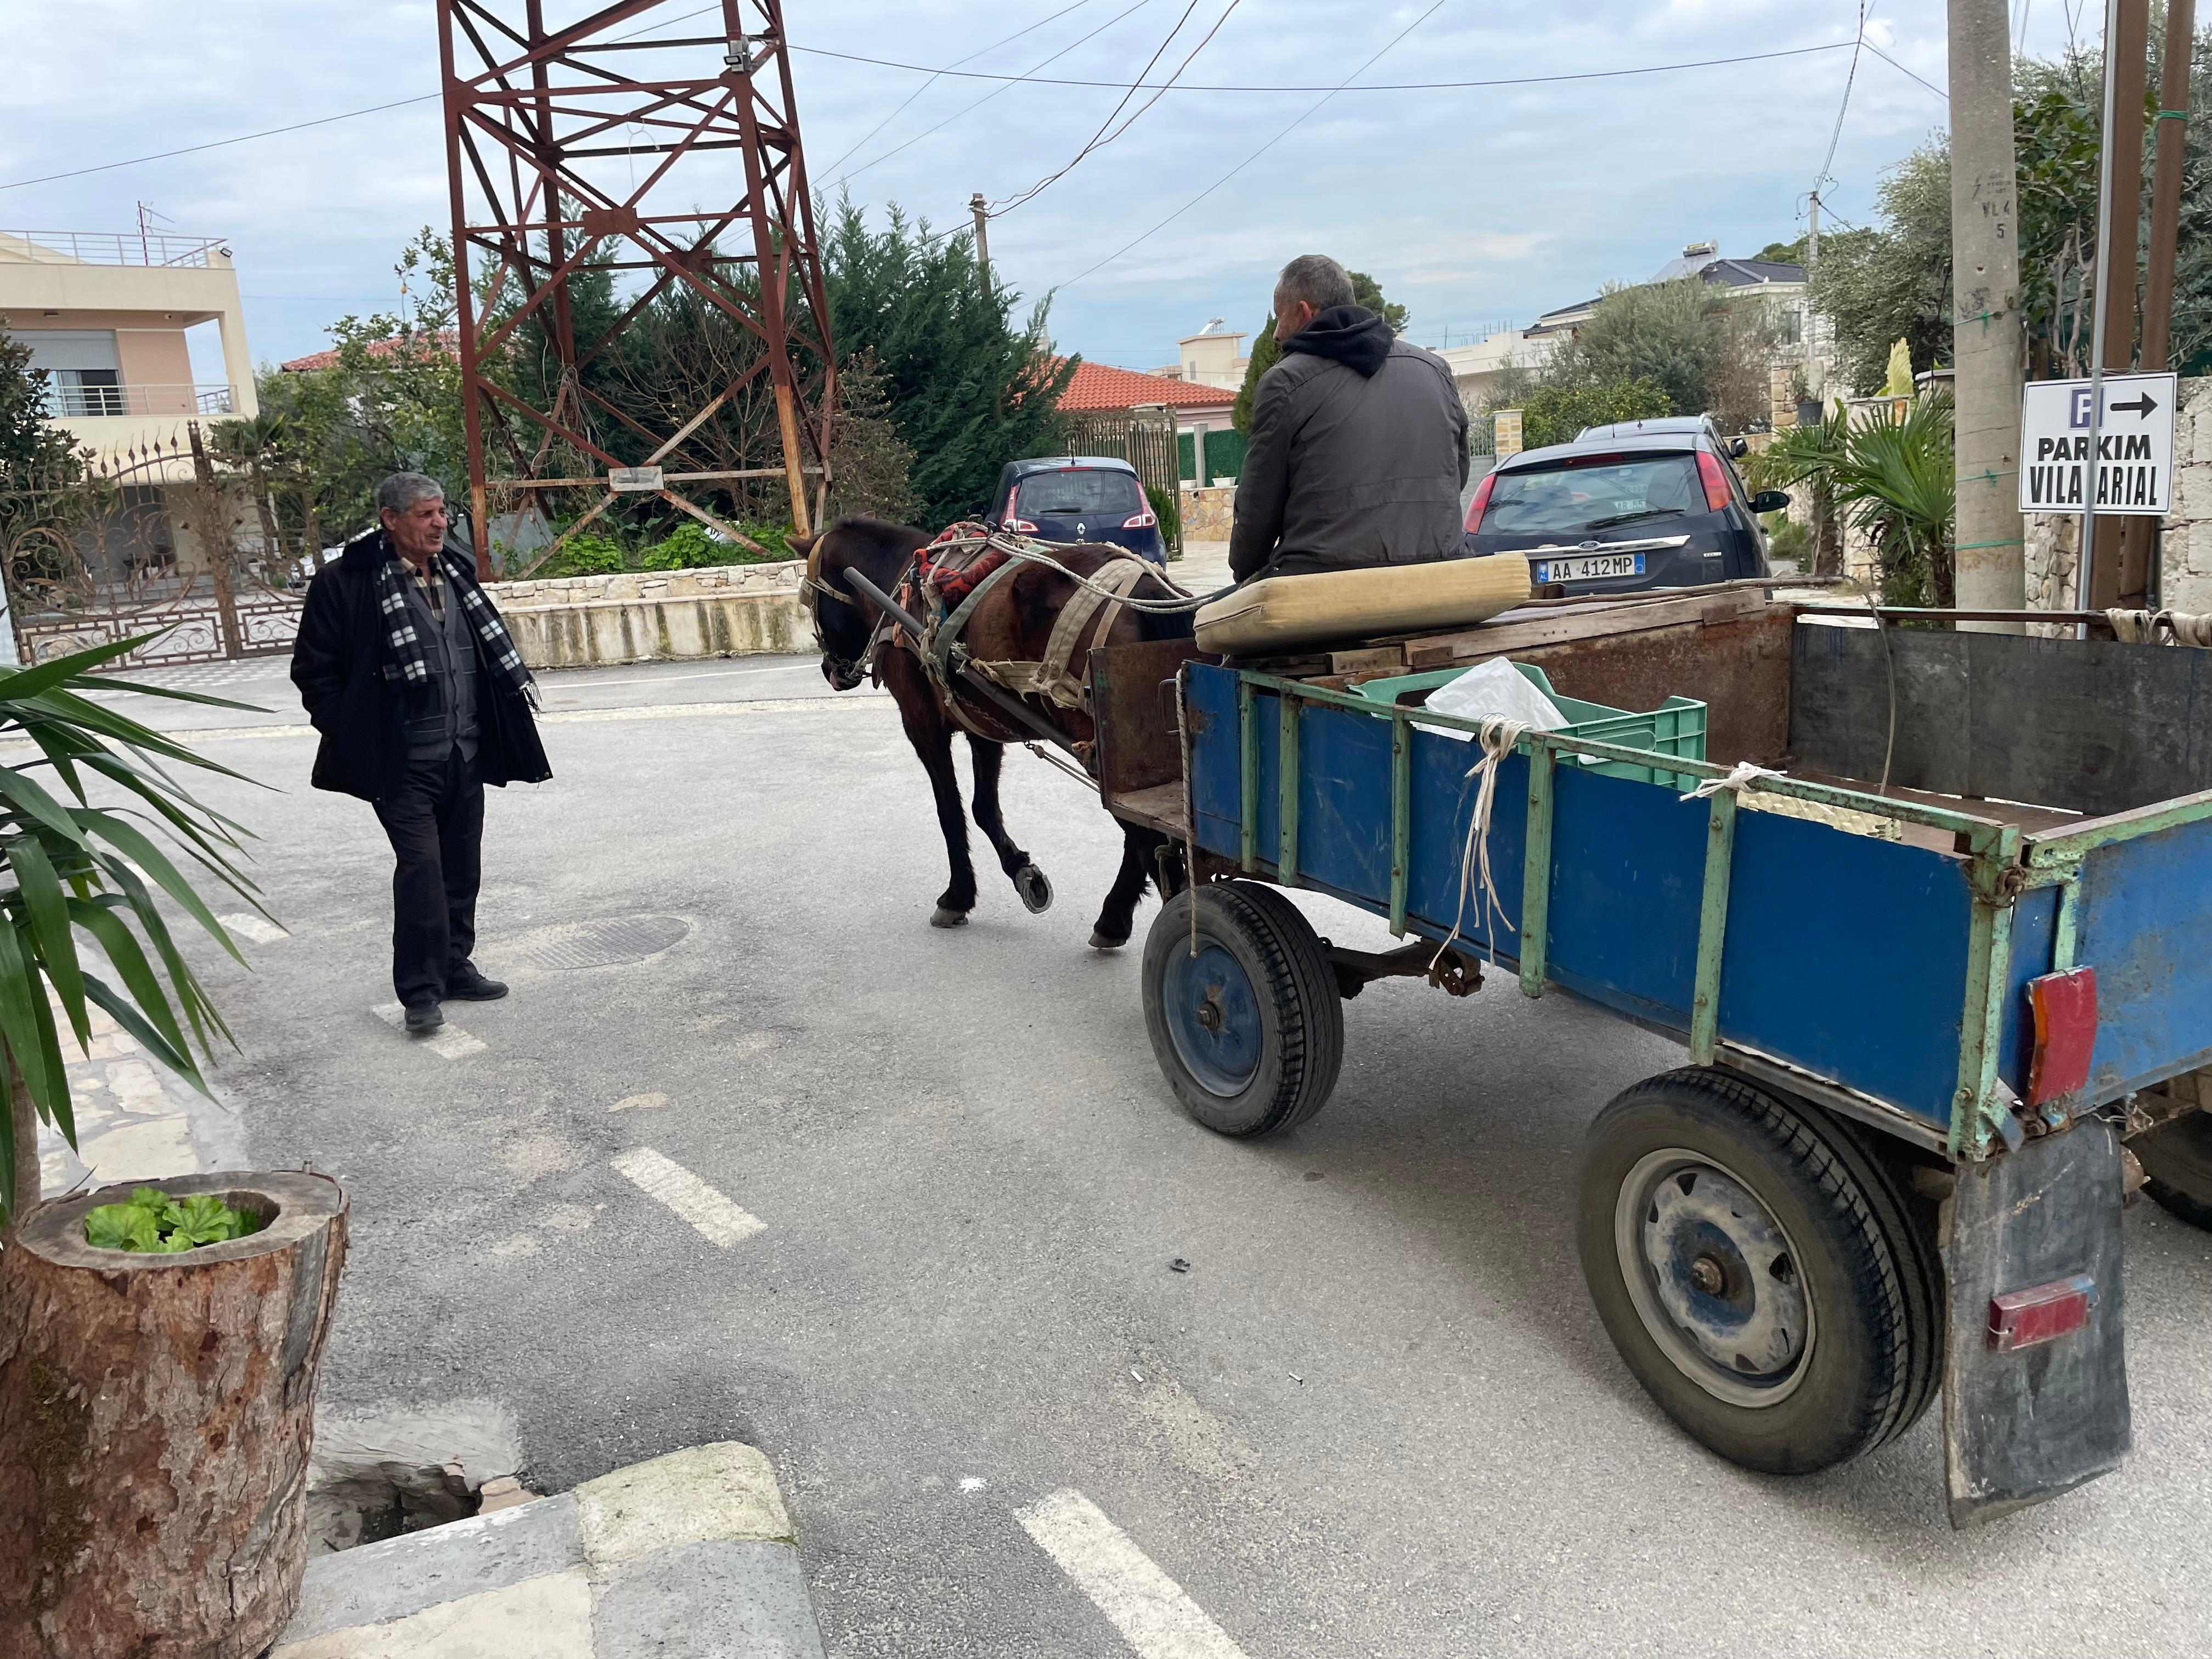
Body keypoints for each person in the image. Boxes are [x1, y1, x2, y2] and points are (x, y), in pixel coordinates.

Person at [290, 473, 551, 1034]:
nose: (440, 524)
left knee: (461, 870)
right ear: (391, 519)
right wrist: (352, 730)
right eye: (426, 515)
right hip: (399, 761)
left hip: (463, 750)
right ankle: (420, 990)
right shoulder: (347, 583)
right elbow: (314, 673)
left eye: (442, 514)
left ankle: (456, 968)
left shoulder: (456, 572)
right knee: (423, 872)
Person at [1228, 253, 1470, 583]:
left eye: (1279, 317)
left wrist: (1245, 576)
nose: (1275, 334)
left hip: (1327, 580)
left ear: (1304, 312)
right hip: (1441, 569)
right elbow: (1457, 473)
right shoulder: (1435, 370)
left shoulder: (1286, 382)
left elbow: (1260, 505)